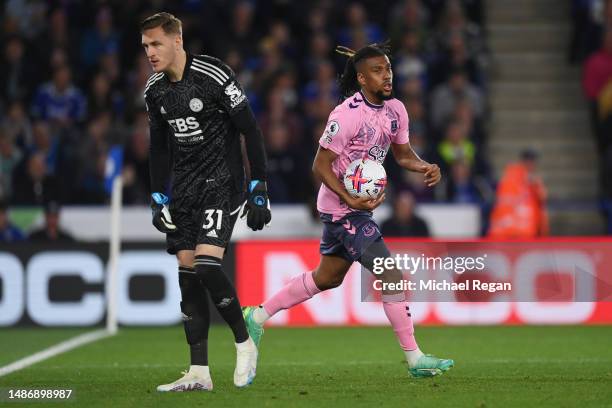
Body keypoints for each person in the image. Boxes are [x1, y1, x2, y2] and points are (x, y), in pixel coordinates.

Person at [243, 42, 453, 378]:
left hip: (358, 207)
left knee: (327, 278)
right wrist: (350, 199)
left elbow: (400, 154)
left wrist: (425, 165)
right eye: (377, 70)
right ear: (361, 78)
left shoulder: (396, 109)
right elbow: (320, 165)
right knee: (390, 271)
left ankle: (256, 316)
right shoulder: (346, 114)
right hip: (342, 209)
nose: (387, 76)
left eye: (388, 69)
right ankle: (415, 359)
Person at [141, 12, 271, 392]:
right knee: (187, 276)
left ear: (177, 41)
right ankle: (199, 372)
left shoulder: (213, 74)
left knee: (207, 266)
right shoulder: (154, 91)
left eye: (156, 44)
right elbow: (158, 148)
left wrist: (259, 185)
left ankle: (245, 342)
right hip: (184, 190)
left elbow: (250, 129)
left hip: (223, 182)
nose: (150, 52)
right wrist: (156, 194)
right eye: (146, 46)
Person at [488, 149, 548, 238]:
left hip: (529, 229)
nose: (531, 164)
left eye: (532, 161)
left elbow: (542, 198)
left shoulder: (534, 181)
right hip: (514, 231)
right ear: (523, 162)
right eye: (528, 161)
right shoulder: (512, 177)